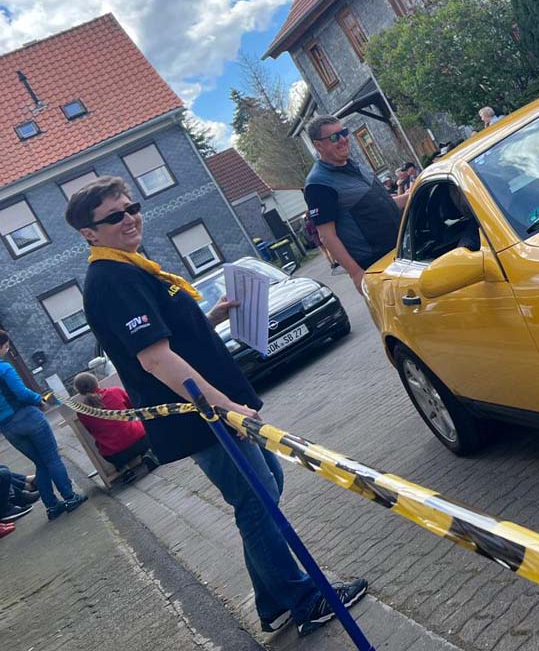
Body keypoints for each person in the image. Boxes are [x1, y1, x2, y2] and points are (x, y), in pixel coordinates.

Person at [66, 176, 368, 637]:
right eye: (115, 216)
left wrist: (211, 317)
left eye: (132, 207)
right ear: (89, 233)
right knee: (257, 498)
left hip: (212, 409)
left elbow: (166, 337)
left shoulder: (133, 267)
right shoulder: (113, 280)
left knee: (265, 488)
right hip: (201, 416)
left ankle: (274, 601)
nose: (130, 218)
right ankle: (303, 599)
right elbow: (154, 358)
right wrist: (225, 407)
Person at [304, 117, 405, 290]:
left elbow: (383, 205)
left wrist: (414, 193)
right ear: (318, 145)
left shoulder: (355, 166)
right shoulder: (318, 183)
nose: (343, 139)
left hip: (403, 251)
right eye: (334, 137)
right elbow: (327, 236)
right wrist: (356, 273)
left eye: (344, 133)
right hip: (377, 266)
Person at [0, 330, 87, 520]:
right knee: (52, 458)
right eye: (5, 347)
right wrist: (38, 399)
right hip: (27, 417)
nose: (7, 351)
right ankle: (70, 497)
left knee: (40, 464)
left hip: (7, 427)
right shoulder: (4, 368)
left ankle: (52, 506)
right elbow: (21, 392)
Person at [73, 373, 160, 484]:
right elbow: (134, 409)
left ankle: (124, 469)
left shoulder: (82, 412)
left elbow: (92, 432)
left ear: (79, 391)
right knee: (141, 424)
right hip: (140, 440)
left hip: (115, 454)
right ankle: (148, 454)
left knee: (100, 443)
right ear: (96, 382)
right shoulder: (115, 391)